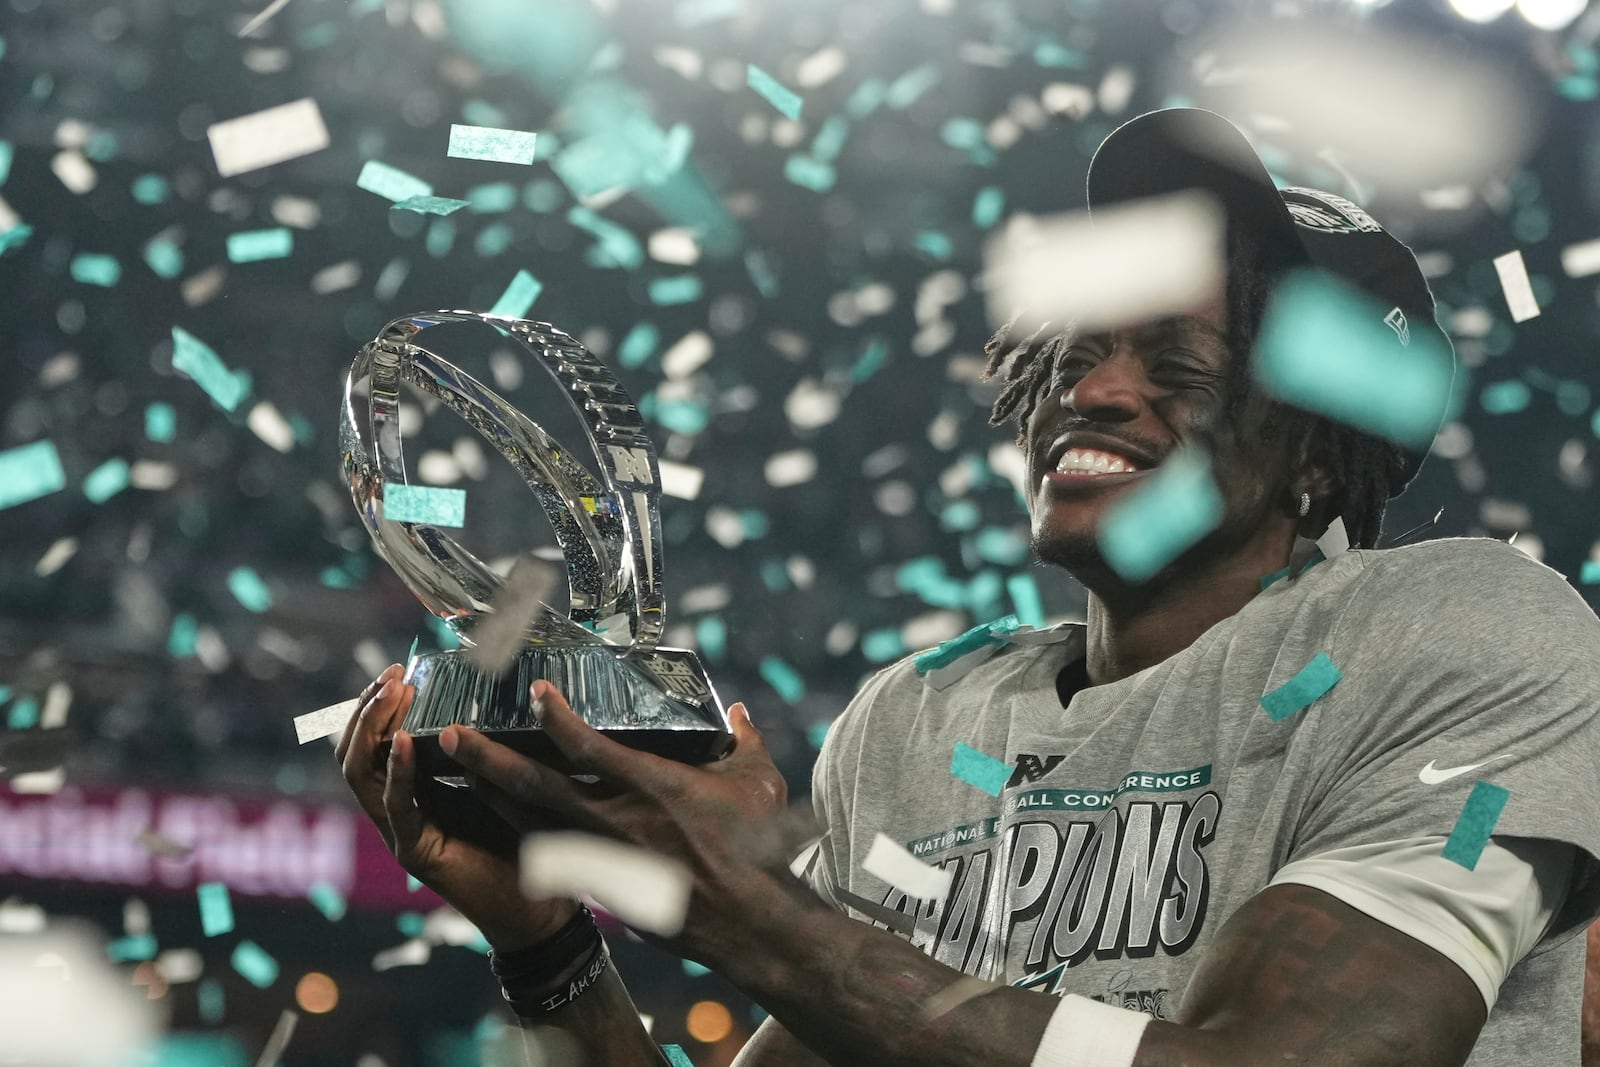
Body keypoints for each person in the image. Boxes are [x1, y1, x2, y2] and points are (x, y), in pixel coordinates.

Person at [338, 108, 1600, 1067]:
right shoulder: (922, 718)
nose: (1090, 393)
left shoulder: (1465, 629)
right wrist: (548, 947)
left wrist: (747, 907)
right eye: (1076, 349)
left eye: (1178, 365)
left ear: (1320, 442)